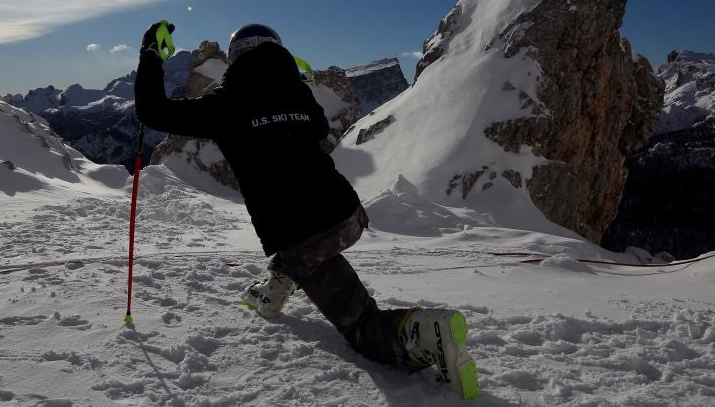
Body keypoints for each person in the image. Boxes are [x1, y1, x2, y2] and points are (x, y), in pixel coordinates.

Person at [135, 22, 479, 400]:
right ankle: (275, 289)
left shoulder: (224, 103)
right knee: (302, 253)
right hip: (349, 214)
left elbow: (152, 111)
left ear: (234, 58)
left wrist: (151, 53)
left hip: (305, 233)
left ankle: (426, 331)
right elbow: (316, 127)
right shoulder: (299, 94)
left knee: (360, 325)